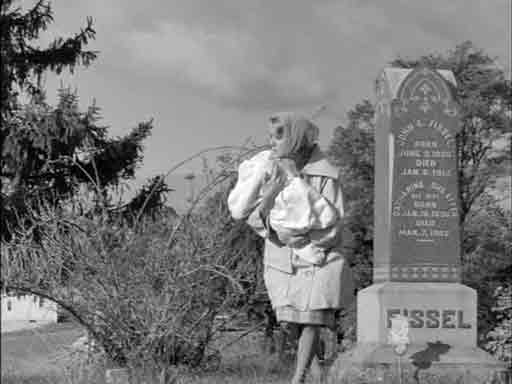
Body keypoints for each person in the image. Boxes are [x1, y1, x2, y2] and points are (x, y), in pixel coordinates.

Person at [227, 112, 354, 384]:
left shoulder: (326, 175)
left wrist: (311, 240)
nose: (271, 142)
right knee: (290, 320)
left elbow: (332, 218)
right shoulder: (266, 169)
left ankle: (297, 379)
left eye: (278, 136)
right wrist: (272, 198)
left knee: (312, 317)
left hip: (321, 256)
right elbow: (253, 214)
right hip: (281, 253)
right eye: (270, 136)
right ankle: (317, 376)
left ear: (295, 137)